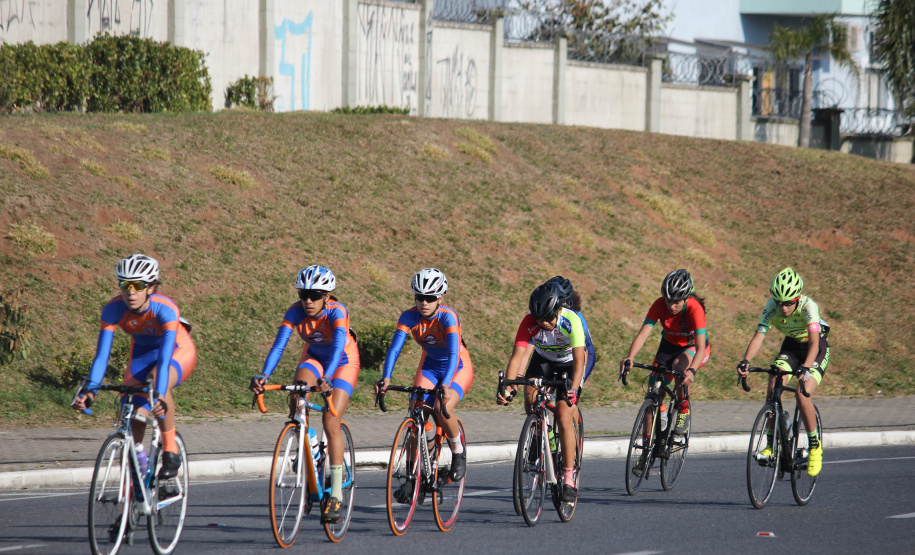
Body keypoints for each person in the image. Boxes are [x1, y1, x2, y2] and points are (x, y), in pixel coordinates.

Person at [249, 265, 361, 523]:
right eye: (303, 294)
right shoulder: (295, 311)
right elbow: (279, 345)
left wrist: (328, 378)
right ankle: (310, 445)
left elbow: (336, 349)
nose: (307, 301)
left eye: (314, 295)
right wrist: (264, 376)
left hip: (342, 363)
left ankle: (335, 494)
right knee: (296, 395)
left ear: (327, 296)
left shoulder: (337, 311)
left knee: (330, 421)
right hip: (313, 358)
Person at [73, 254, 196, 480]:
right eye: (124, 285)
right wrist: (90, 390)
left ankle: (171, 451)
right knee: (130, 409)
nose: (130, 291)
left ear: (151, 287)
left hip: (177, 351)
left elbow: (166, 354)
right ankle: (135, 491)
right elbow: (102, 356)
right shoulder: (112, 309)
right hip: (141, 355)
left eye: (137, 285)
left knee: (156, 380)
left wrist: (157, 396)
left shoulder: (165, 308)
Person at [375, 268, 474, 491]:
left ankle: (458, 452)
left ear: (441, 298)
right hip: (430, 367)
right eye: (419, 297)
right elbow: (394, 350)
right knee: (416, 414)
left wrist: (446, 385)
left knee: (441, 406)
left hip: (457, 367)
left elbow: (453, 354)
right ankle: (414, 475)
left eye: (430, 298)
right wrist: (386, 378)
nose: (424, 303)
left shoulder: (448, 317)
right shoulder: (409, 316)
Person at [496, 279, 593, 503]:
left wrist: (575, 389)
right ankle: (541, 433)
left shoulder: (572, 320)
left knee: (563, 412)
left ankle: (569, 478)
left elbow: (580, 361)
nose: (545, 324)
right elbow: (517, 357)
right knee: (530, 392)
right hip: (545, 359)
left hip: (569, 363)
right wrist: (508, 388)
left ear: (559, 310)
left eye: (549, 318)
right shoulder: (529, 322)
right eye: (540, 320)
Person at [736, 267, 830, 477]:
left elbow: (815, 343)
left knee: (801, 393)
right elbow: (759, 336)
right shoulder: (772, 307)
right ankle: (771, 442)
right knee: (774, 379)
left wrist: (806, 368)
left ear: (797, 298)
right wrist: (746, 361)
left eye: (788, 303)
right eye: (779, 302)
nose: (783, 307)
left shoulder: (808, 307)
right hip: (792, 347)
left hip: (815, 349)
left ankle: (815, 447)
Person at [619, 269, 710, 476]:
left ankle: (683, 409)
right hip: (668, 346)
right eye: (668, 300)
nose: (672, 305)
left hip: (692, 348)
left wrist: (692, 370)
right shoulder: (659, 305)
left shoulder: (695, 309)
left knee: (679, 368)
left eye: (677, 301)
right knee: (653, 392)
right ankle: (645, 452)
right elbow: (644, 334)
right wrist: (630, 357)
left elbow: (702, 346)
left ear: (686, 297)